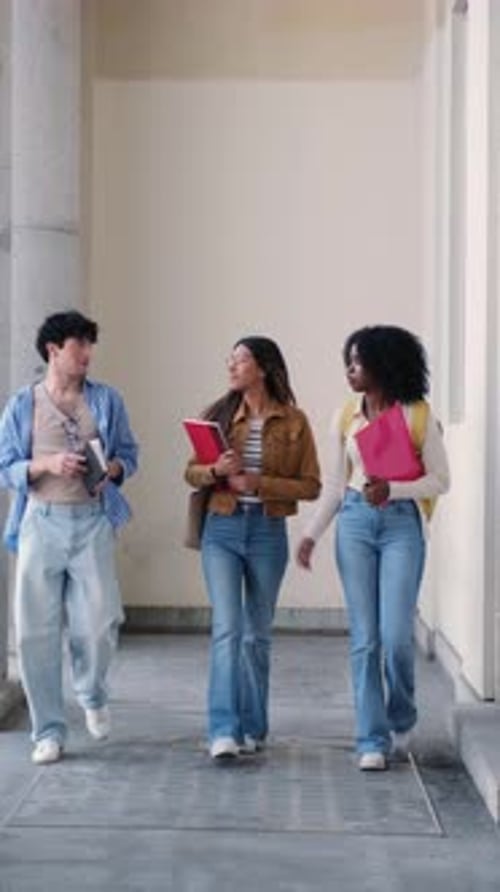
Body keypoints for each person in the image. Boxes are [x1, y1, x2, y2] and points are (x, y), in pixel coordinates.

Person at [297, 325, 450, 771]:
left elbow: (442, 480)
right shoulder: (346, 416)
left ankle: (401, 712)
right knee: (365, 640)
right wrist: (311, 534)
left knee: (397, 637)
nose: (350, 369)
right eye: (349, 360)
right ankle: (371, 738)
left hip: (402, 525)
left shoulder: (418, 415)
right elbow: (333, 486)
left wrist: (396, 491)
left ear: (384, 364)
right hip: (356, 524)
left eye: (358, 361)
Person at [0, 311, 138, 765]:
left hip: (92, 520)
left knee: (99, 622)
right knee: (36, 633)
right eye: (79, 345)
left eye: (89, 346)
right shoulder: (24, 404)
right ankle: (49, 732)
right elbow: (6, 467)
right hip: (40, 521)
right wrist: (47, 465)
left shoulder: (107, 401)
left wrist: (111, 470)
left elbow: (128, 456)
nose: (87, 354)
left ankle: (92, 692)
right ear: (53, 350)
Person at [185, 336, 321, 760]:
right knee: (228, 629)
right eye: (230, 358)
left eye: (240, 359)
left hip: (267, 532)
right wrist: (214, 470)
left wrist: (260, 483)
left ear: (262, 367)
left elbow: (312, 485)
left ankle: (253, 726)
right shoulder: (218, 415)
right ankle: (223, 730)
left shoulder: (295, 422)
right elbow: (190, 474)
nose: (232, 365)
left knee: (256, 636)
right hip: (221, 529)